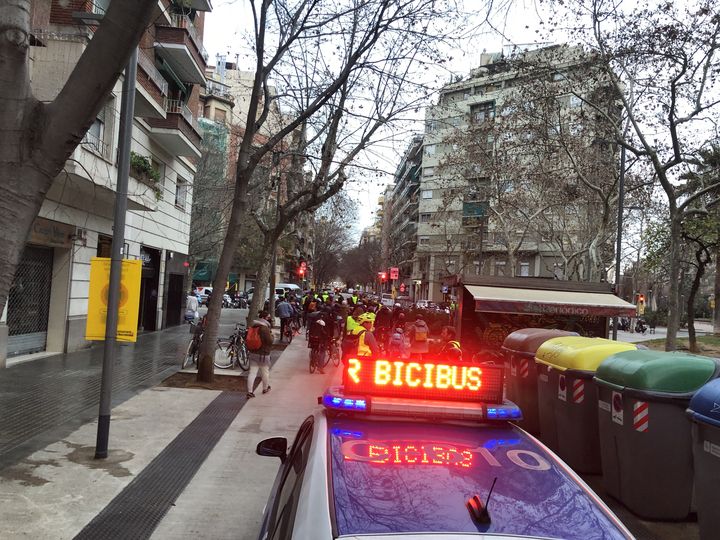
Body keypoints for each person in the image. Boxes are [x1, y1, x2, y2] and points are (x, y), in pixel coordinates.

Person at [247, 310, 273, 398]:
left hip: (253, 353)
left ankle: (250, 391)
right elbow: (269, 341)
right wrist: (272, 336)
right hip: (263, 354)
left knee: (252, 373)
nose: (269, 319)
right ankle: (265, 388)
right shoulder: (264, 328)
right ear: (264, 318)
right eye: (268, 317)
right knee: (265, 372)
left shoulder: (254, 326)